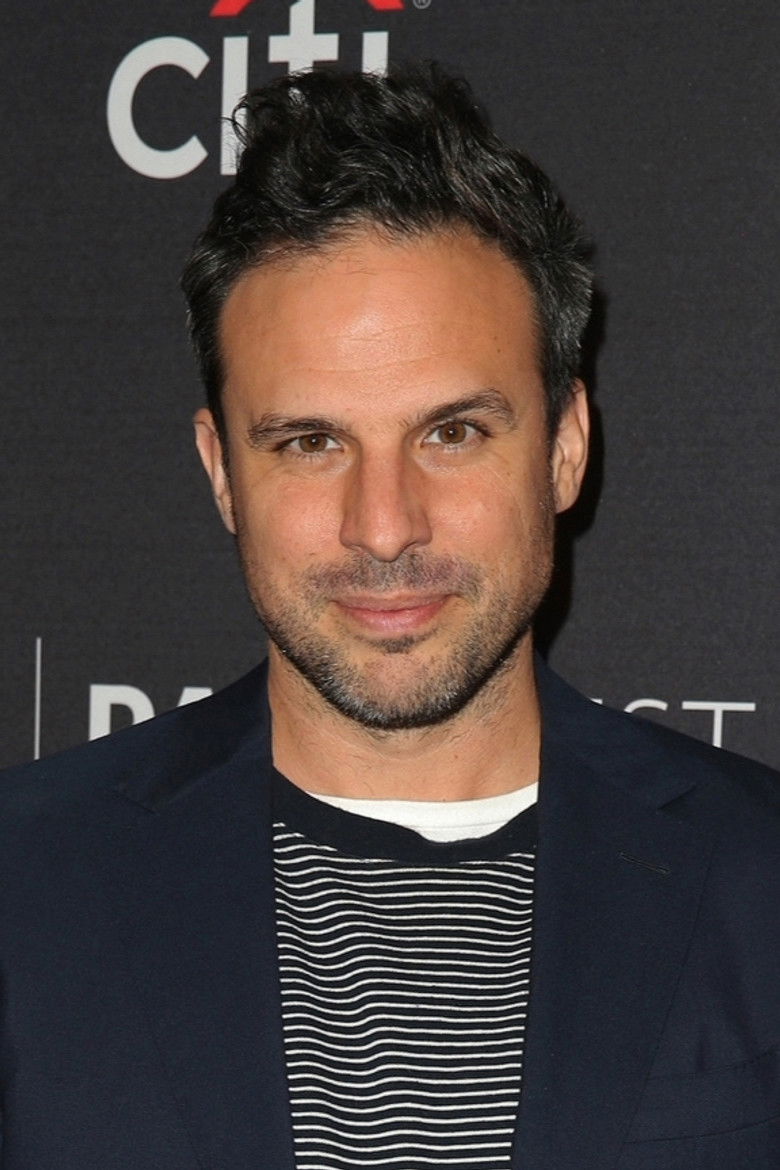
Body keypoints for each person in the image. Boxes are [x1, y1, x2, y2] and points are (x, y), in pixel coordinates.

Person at [1, 65, 779, 1170]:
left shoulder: (759, 878)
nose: (382, 526)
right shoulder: (25, 885)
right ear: (222, 473)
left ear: (566, 447)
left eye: (452, 434)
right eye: (311, 442)